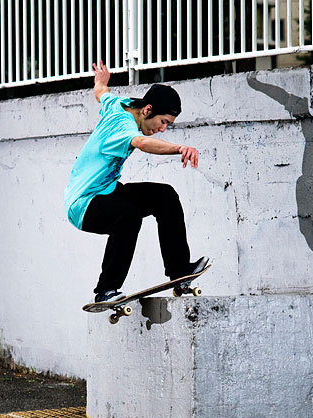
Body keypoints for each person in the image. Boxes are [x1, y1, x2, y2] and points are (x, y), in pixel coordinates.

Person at [64, 60, 208, 303]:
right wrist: (179, 148)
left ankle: (180, 271)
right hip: (83, 204)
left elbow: (102, 94)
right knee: (127, 215)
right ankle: (106, 290)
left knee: (165, 196)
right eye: (163, 122)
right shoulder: (123, 125)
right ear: (148, 110)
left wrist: (101, 80)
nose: (162, 129)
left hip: (106, 192)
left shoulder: (121, 104)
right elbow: (142, 143)